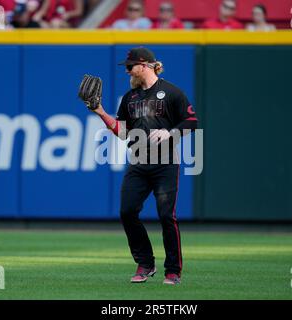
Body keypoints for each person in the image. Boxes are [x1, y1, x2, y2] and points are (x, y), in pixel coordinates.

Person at [83, 47, 198, 285]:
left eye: (130, 67)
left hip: (165, 162)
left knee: (167, 216)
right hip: (138, 161)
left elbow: (191, 121)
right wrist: (100, 112)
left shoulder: (171, 92)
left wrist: (170, 132)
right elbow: (123, 132)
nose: (127, 72)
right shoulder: (130, 97)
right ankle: (145, 263)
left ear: (145, 65)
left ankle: (173, 270)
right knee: (127, 211)